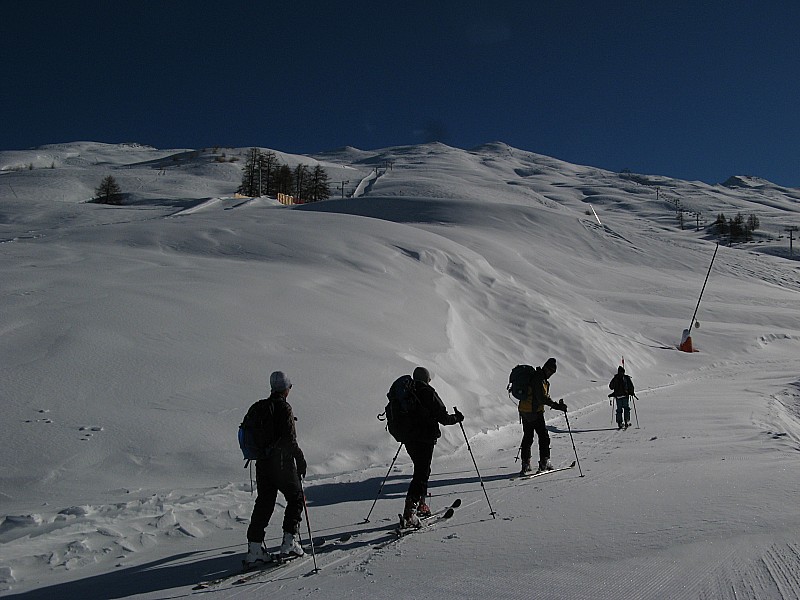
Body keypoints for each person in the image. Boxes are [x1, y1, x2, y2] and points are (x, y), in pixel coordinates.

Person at [244, 371, 308, 567]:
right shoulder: (284, 408)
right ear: (285, 388)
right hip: (281, 464)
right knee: (296, 498)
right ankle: (289, 542)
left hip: (262, 463)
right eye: (289, 386)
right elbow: (290, 439)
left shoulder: (259, 407)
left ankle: (254, 549)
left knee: (264, 502)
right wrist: (300, 460)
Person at [401, 366, 463, 528]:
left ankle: (420, 504)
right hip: (424, 438)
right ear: (426, 379)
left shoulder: (407, 392)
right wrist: (457, 418)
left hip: (408, 438)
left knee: (422, 470)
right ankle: (410, 512)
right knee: (421, 473)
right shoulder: (427, 392)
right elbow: (443, 418)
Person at [518, 357, 567, 475]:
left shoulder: (536, 376)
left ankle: (525, 463)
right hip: (534, 412)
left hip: (524, 410)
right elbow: (542, 398)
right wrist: (557, 406)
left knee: (528, 436)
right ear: (546, 368)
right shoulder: (539, 379)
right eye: (550, 371)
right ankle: (544, 462)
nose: (551, 374)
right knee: (543, 436)